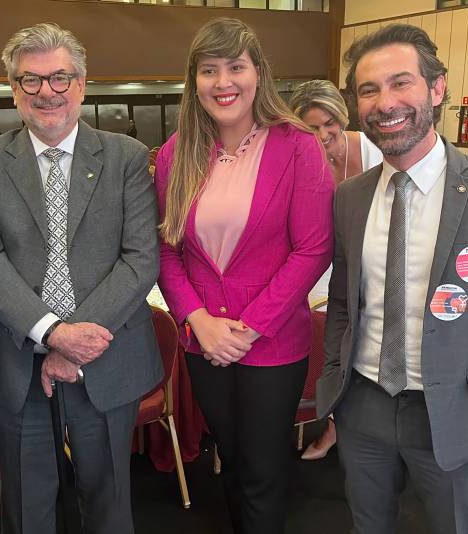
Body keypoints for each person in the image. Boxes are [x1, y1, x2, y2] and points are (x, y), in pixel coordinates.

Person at [316, 24, 468, 534]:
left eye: (401, 82)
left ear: (437, 88)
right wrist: (338, 381)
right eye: (368, 89)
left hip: (458, 413)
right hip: (364, 407)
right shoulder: (349, 198)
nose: (385, 102)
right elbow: (343, 302)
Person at [0, 23, 162, 534]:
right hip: (15, 359)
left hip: (106, 355)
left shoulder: (126, 157)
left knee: (109, 500)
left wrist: (75, 342)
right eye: (30, 80)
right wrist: (52, 333)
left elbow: (140, 259)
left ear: (82, 84)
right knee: (26, 507)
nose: (46, 92)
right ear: (13, 89)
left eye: (59, 78)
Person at [156, 18, 333, 534]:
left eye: (236, 66)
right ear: (194, 82)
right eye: (209, 70)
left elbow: (313, 248)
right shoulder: (175, 154)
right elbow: (167, 251)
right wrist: (197, 320)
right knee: (232, 459)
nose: (223, 81)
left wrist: (250, 326)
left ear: (259, 74)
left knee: (263, 468)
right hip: (205, 342)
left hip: (272, 342)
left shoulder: (297, 145)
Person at [290, 78, 384, 460]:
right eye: (311, 126)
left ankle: (345, 428)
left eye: (329, 122)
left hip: (372, 259)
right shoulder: (299, 156)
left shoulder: (374, 149)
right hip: (323, 265)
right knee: (330, 349)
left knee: (367, 349)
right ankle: (328, 418)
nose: (323, 133)